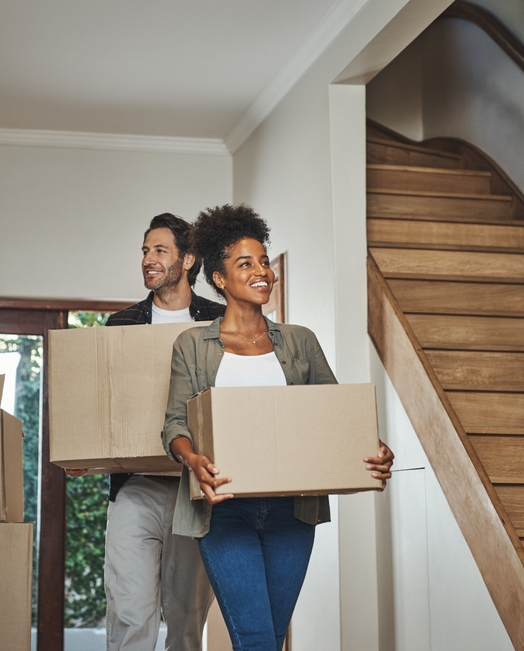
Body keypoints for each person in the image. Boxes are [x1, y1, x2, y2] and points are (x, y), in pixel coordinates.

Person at [162, 204, 395, 651]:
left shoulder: (300, 341)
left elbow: (334, 415)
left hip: (293, 511)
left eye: (264, 262)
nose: (262, 272)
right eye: (245, 263)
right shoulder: (192, 345)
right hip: (224, 508)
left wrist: (373, 445)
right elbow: (175, 422)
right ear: (219, 278)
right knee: (255, 639)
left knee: (270, 637)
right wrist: (192, 460)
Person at [100, 213, 224, 651]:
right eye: (145, 251)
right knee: (130, 614)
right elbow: (104, 405)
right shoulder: (122, 324)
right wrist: (85, 454)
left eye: (159, 250)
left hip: (195, 490)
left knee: (186, 623)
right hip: (135, 487)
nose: (148, 259)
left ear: (187, 259)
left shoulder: (221, 322)